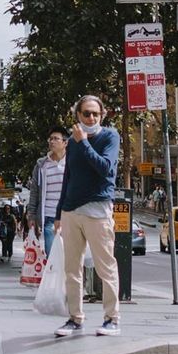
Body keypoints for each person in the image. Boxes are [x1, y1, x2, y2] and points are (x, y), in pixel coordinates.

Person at [53, 95, 121, 338]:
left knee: (105, 267)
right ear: (78, 116)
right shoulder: (72, 142)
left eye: (95, 114)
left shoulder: (109, 136)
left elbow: (105, 168)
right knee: (72, 269)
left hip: (98, 210)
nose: (91, 118)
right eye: (86, 114)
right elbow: (67, 178)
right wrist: (59, 212)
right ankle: (74, 318)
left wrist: (83, 143)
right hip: (72, 211)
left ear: (102, 115)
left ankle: (112, 318)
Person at [26, 126, 68, 257]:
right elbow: (34, 192)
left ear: (65, 142)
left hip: (69, 216)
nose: (52, 141)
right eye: (50, 139)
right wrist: (32, 215)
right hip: (49, 217)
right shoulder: (41, 165)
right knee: (52, 257)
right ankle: (53, 277)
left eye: (56, 139)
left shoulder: (72, 163)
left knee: (70, 258)